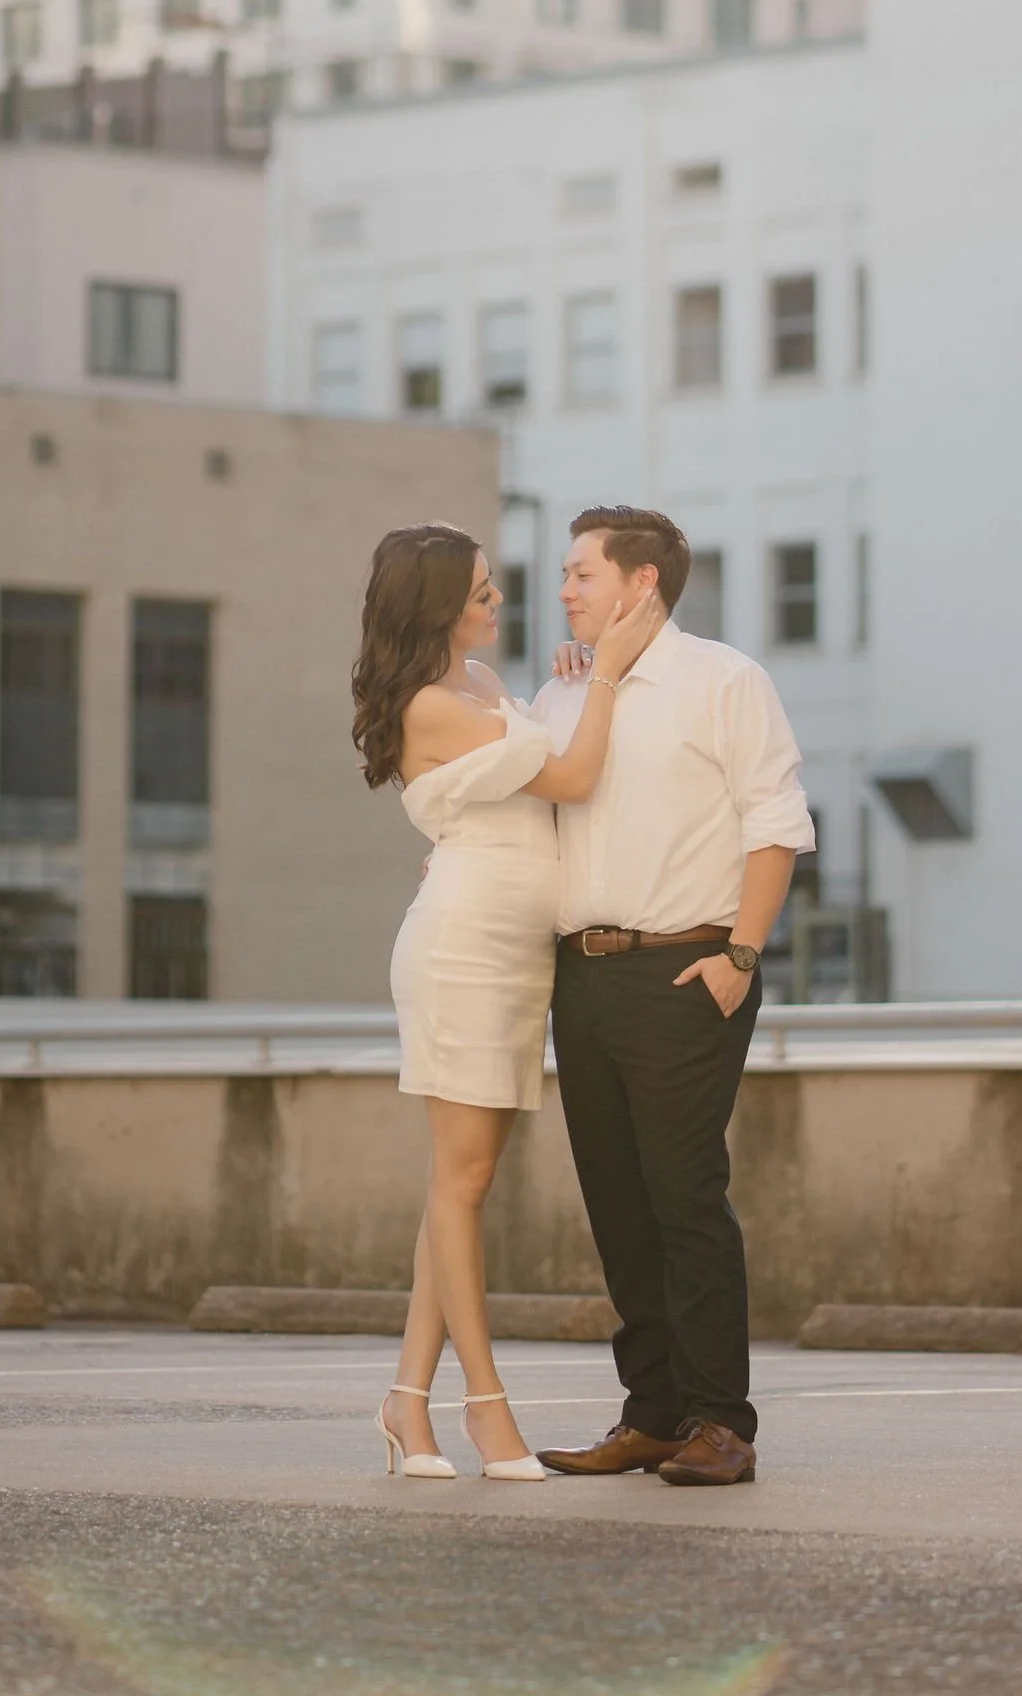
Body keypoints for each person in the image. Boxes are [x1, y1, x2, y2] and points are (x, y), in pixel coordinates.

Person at [351, 521, 662, 1483]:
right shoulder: (428, 704)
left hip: (520, 951)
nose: (499, 602)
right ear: (437, 601)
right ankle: (487, 1409)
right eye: (482, 590)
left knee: (460, 1182)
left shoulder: (484, 688)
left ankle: (407, 1404)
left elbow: (540, 768)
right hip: (465, 949)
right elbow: (569, 775)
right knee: (464, 1184)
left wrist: (568, 683)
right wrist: (605, 670)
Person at [531, 505, 813, 1487]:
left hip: (686, 968)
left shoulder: (724, 681)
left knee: (684, 1197)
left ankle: (717, 1423)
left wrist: (740, 953)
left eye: (579, 574)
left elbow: (775, 821)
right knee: (616, 1204)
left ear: (639, 583)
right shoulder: (561, 694)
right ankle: (650, 1414)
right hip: (582, 976)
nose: (562, 589)